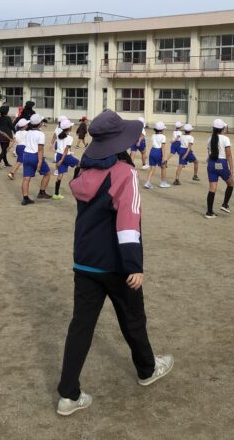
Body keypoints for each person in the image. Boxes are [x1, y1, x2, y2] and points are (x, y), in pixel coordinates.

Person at [56, 110, 173, 416]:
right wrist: (134, 264)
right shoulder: (124, 173)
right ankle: (147, 368)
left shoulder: (83, 169)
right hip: (117, 263)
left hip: (84, 261)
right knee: (133, 319)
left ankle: (68, 394)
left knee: (80, 326)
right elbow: (127, 221)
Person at [205, 119, 234, 218]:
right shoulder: (225, 139)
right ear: (222, 128)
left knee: (212, 188)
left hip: (211, 164)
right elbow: (228, 155)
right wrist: (231, 168)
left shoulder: (209, 138)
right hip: (221, 163)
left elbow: (209, 153)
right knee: (231, 183)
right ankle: (225, 204)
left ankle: (209, 212)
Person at [21, 114, 52, 204]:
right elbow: (40, 149)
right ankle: (42, 192)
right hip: (35, 155)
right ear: (40, 123)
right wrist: (40, 162)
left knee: (26, 178)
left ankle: (25, 198)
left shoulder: (28, 132)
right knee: (47, 173)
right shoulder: (41, 134)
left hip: (26, 155)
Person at [53, 119, 80, 199]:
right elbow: (66, 150)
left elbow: (58, 147)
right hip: (65, 156)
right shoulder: (70, 138)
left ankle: (56, 194)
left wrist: (60, 160)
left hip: (58, 155)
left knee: (60, 174)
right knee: (79, 163)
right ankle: (74, 181)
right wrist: (62, 160)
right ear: (69, 128)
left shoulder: (59, 136)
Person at [143, 121, 170, 190]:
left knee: (152, 168)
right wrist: (164, 157)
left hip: (152, 151)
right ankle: (163, 183)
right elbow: (163, 147)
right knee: (163, 167)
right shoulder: (163, 136)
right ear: (162, 129)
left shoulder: (153, 135)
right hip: (159, 152)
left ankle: (148, 182)